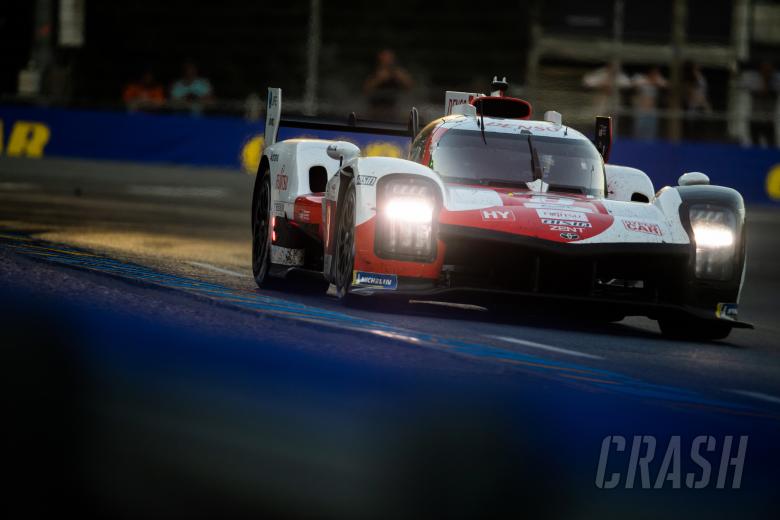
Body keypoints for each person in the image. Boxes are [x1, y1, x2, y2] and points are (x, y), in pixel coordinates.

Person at [363, 49, 414, 121]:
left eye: (389, 57)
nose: (387, 60)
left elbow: (410, 88)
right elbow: (366, 90)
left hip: (394, 109)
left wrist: (402, 78)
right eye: (384, 57)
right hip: (375, 109)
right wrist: (378, 79)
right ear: (379, 58)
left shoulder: (398, 72)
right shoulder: (373, 72)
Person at [741, 60, 780, 148]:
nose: (767, 71)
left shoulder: (776, 80)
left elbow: (770, 92)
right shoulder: (755, 80)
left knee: (772, 144)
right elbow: (759, 91)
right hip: (755, 118)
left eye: (769, 69)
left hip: (769, 119)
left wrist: (768, 79)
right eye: (764, 68)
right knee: (755, 144)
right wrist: (763, 79)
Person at [631, 66, 668, 141]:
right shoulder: (641, 78)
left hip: (652, 111)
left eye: (657, 73)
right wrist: (649, 82)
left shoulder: (658, 80)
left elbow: (666, 84)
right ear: (650, 73)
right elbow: (633, 84)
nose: (655, 75)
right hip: (641, 110)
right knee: (638, 132)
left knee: (651, 133)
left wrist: (655, 82)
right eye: (654, 73)